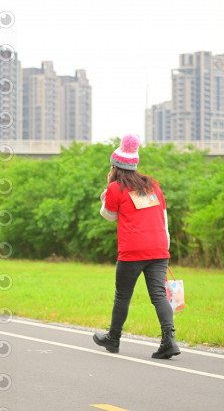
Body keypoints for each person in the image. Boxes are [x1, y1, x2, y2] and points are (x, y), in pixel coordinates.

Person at [93, 135, 180, 359]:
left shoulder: (116, 188)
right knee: (159, 295)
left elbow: (109, 215)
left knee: (122, 296)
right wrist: (165, 248)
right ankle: (169, 341)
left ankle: (113, 339)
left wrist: (106, 193)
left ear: (115, 167)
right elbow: (163, 218)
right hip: (159, 248)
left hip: (132, 251)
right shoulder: (152, 186)